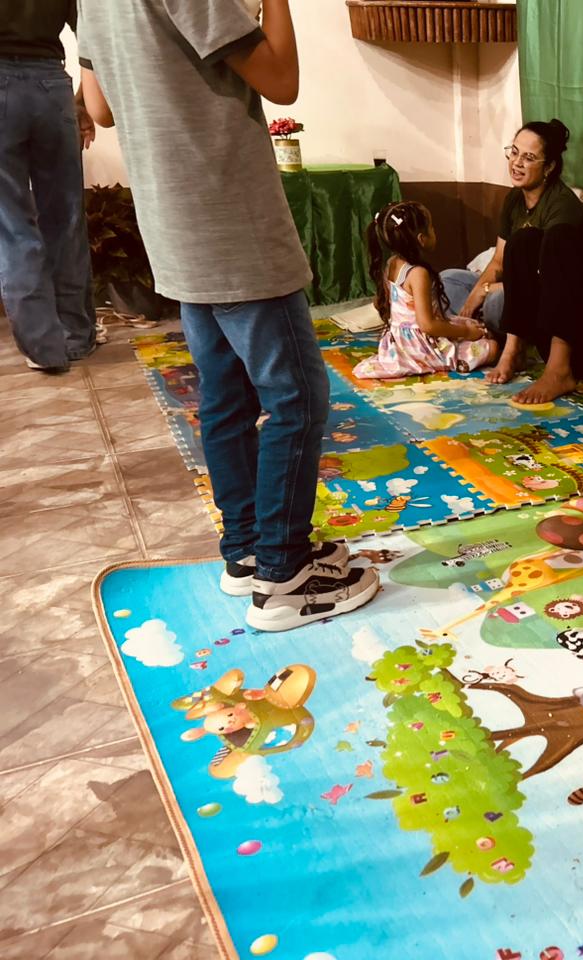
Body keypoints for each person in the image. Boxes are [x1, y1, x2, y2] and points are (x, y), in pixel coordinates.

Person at [77, 0, 380, 631]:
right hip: (231, 219)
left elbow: (100, 108)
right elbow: (281, 80)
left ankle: (246, 552)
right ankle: (283, 576)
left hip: (173, 223)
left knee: (226, 398)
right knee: (296, 398)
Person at [444, 119, 583, 404]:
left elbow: (551, 279)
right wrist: (472, 300)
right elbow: (498, 261)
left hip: (548, 298)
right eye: (514, 152)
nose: (517, 163)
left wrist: (486, 292)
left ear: (549, 167)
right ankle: (495, 337)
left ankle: (517, 348)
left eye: (529, 157)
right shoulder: (514, 200)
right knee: (447, 281)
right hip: (515, 286)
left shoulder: (562, 206)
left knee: (496, 301)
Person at [0, 0, 98, 373]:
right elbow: (92, 31)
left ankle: (45, 349)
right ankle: (76, 337)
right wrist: (83, 101)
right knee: (66, 219)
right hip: (51, 82)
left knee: (12, 227)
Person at [354, 201, 497, 379]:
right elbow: (427, 325)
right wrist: (466, 332)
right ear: (422, 239)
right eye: (431, 227)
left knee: (473, 326)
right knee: (492, 347)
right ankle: (453, 360)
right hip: (420, 347)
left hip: (400, 343)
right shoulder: (418, 274)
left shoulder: (392, 263)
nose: (434, 231)